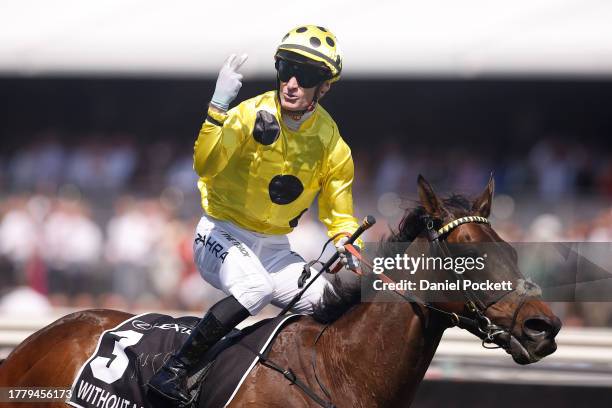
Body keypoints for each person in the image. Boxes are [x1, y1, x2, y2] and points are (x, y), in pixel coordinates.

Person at [147, 24, 363, 406]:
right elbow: (205, 166)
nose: (292, 83)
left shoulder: (333, 143)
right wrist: (217, 109)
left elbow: (340, 215)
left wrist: (348, 242)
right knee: (256, 289)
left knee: (336, 304)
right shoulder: (250, 114)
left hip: (276, 250)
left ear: (324, 87)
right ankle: (173, 371)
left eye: (307, 75)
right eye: (286, 70)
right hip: (219, 232)